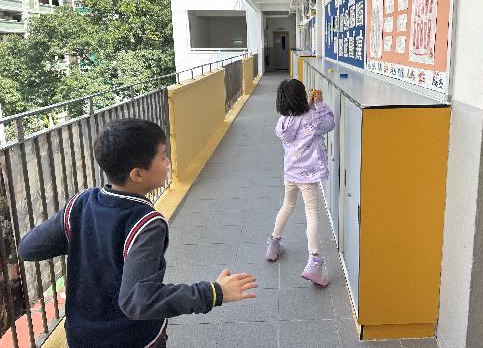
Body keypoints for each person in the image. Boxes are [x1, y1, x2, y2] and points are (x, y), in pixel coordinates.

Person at [18, 119, 257, 348]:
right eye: (162, 157)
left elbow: (28, 248)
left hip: (81, 337)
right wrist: (213, 292)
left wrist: (87, 237)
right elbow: (138, 301)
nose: (168, 162)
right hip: (132, 339)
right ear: (137, 174)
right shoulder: (147, 223)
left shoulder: (80, 203)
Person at [266, 79, 335, 287]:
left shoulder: (284, 120)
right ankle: (314, 260)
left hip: (290, 172)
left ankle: (273, 244)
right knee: (311, 213)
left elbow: (296, 122)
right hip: (308, 174)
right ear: (301, 97)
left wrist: (309, 106)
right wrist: (319, 104)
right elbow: (329, 123)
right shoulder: (312, 116)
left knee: (287, 205)